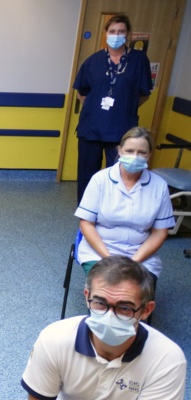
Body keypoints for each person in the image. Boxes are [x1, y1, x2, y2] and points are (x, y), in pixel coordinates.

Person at [22, 256, 187, 399]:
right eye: (100, 303)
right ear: (87, 297)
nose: (109, 316)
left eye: (124, 308)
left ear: (146, 310)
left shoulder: (167, 360)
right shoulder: (54, 339)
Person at [75, 127, 174, 281]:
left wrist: (134, 263)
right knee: (106, 290)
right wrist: (109, 259)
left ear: (149, 154)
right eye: (129, 151)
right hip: (99, 251)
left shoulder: (159, 185)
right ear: (119, 150)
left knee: (136, 297)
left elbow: (160, 232)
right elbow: (86, 223)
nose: (135, 157)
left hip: (141, 254)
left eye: (142, 152)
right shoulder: (100, 179)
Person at [73, 15, 152, 203]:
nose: (116, 35)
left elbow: (144, 93)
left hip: (121, 129)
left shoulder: (138, 60)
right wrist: (96, 110)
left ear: (128, 34)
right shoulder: (93, 61)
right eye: (112, 31)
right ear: (106, 34)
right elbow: (81, 93)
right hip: (91, 128)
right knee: (87, 174)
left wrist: (124, 109)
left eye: (121, 31)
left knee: (119, 174)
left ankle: (114, 210)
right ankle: (86, 212)